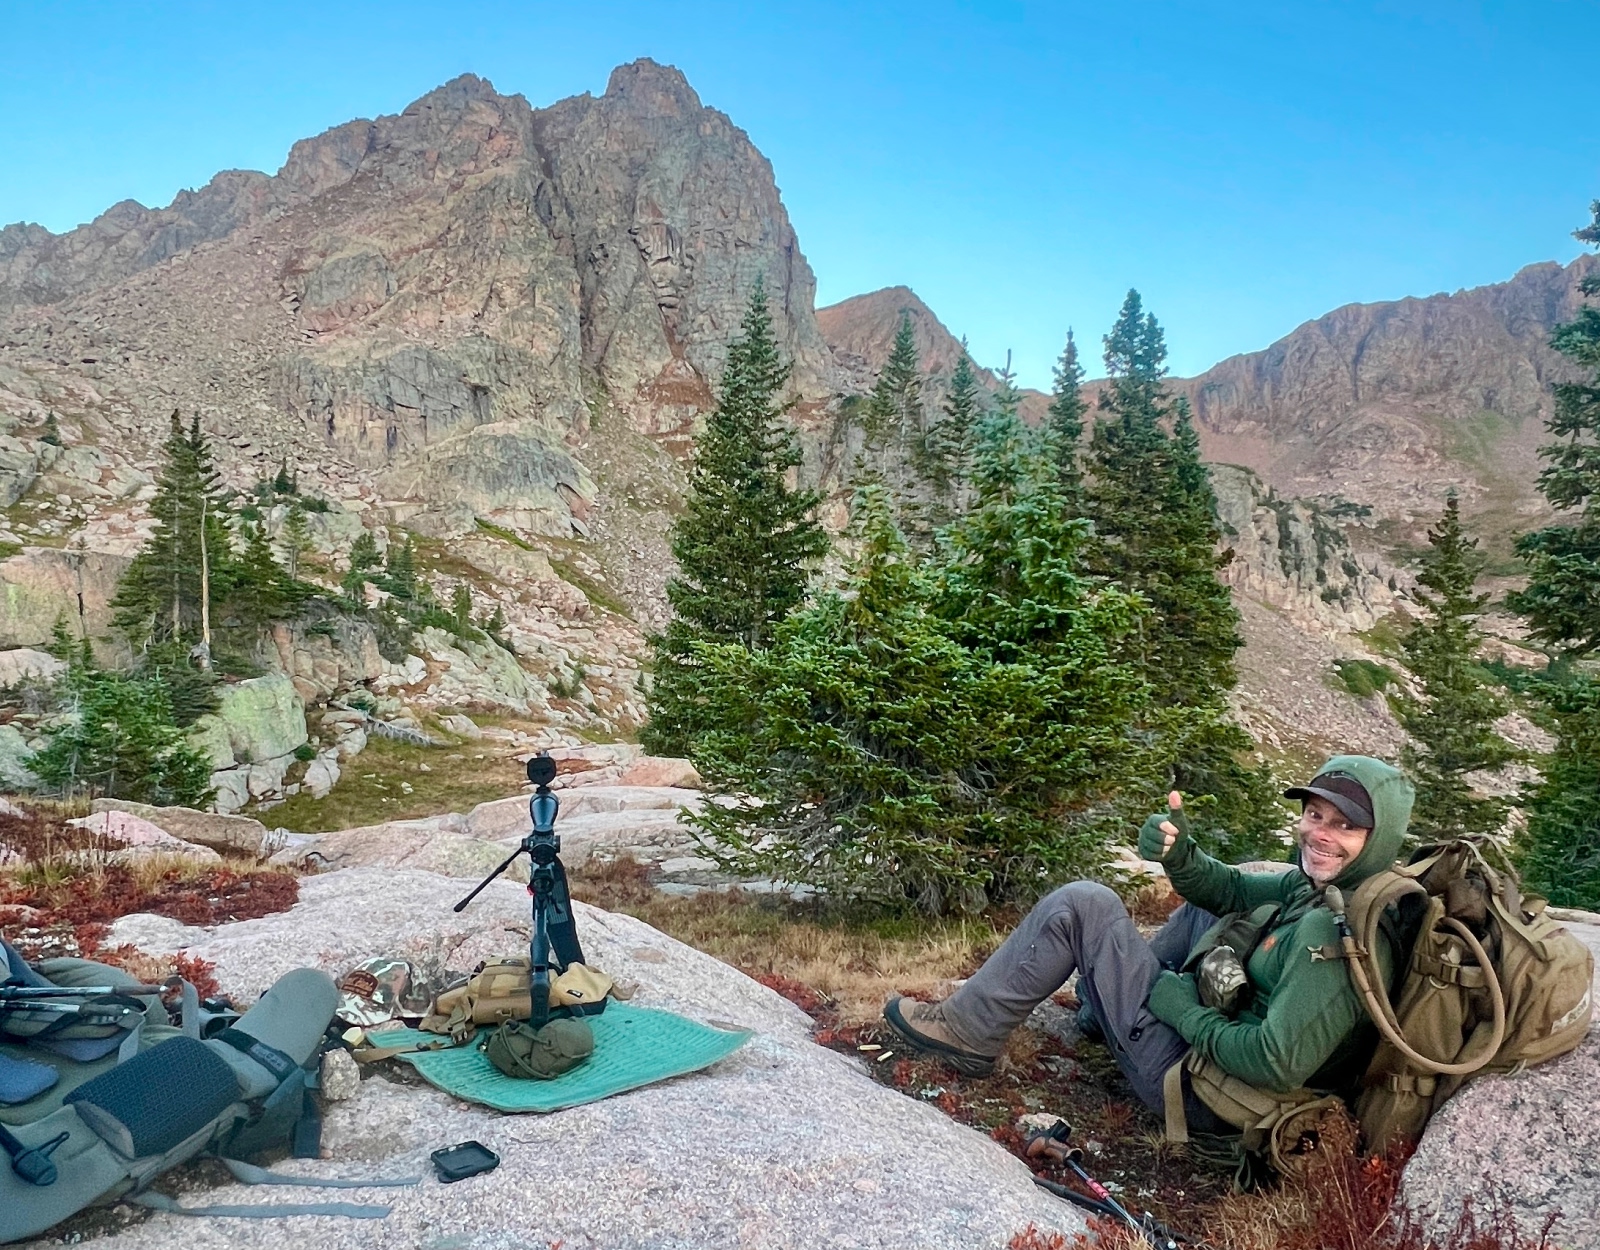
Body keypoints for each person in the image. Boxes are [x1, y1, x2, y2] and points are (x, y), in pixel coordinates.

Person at [882, 755, 1412, 1126]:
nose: (1318, 833)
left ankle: (970, 1032)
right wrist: (1179, 854)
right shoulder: (1323, 888)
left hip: (1210, 1097)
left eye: (1343, 826)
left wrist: (1183, 1011)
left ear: (1379, 838)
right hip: (1214, 1063)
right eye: (1314, 815)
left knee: (1085, 904)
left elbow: (1275, 1065)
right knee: (1215, 909)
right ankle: (1103, 1011)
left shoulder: (1339, 931)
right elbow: (1226, 887)